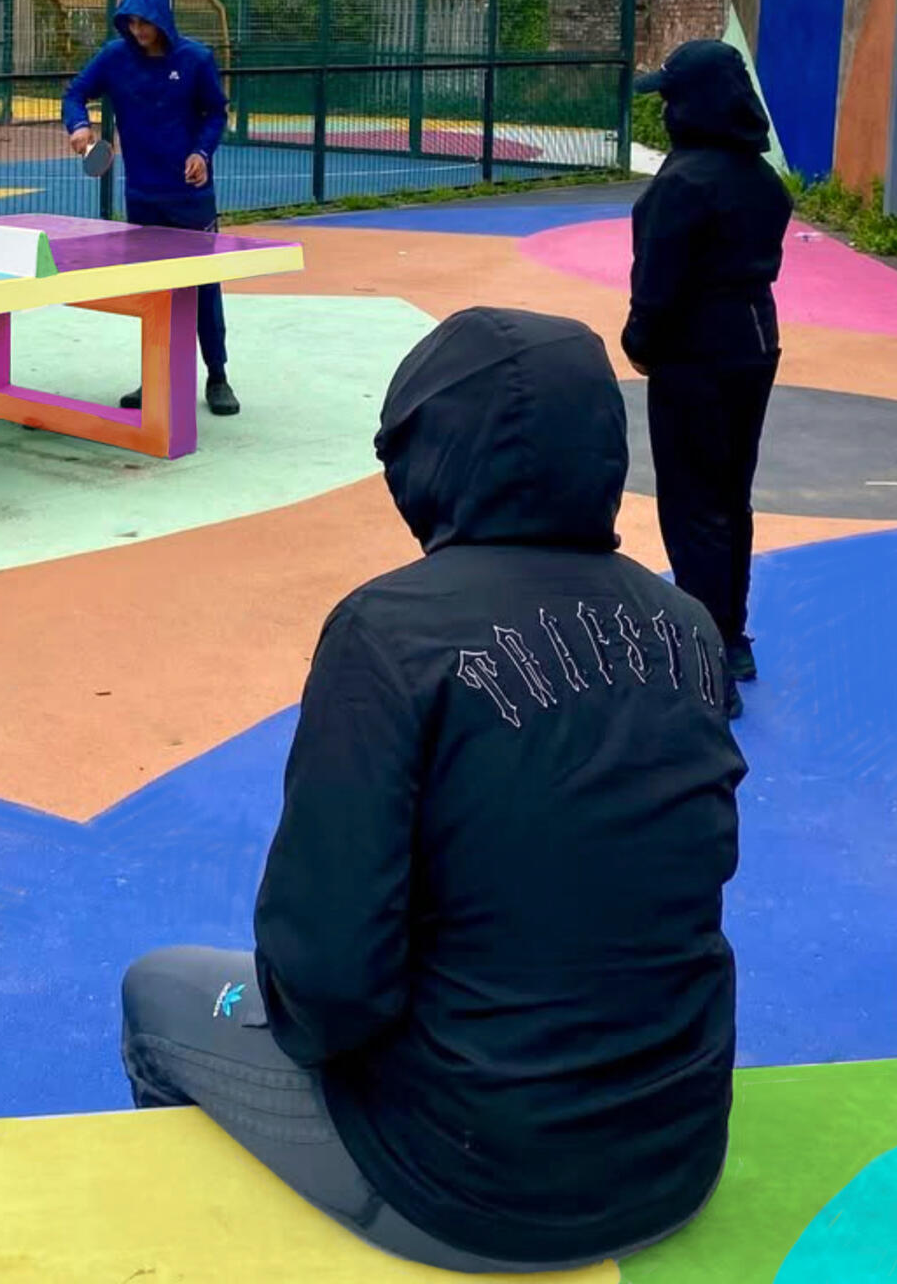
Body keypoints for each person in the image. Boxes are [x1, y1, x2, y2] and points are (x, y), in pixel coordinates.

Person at [121, 307, 745, 1275]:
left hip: (464, 1184)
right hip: (676, 1151)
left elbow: (325, 982)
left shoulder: (389, 633)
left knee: (156, 990)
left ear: (429, 458)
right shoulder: (686, 629)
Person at [622, 39, 792, 702]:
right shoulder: (760, 179)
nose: (663, 113)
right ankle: (731, 636)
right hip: (754, 339)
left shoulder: (682, 182)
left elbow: (657, 284)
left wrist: (639, 339)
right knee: (729, 494)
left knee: (691, 500)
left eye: (667, 99)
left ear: (690, 104)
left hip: (693, 348)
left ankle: (704, 661)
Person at [63, 0, 237, 415]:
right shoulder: (114, 57)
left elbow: (215, 112)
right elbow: (75, 93)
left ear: (162, 20)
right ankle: (156, 375)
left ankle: (217, 375)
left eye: (145, 22)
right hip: (142, 195)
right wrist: (78, 125)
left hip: (192, 196)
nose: (139, 30)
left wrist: (201, 152)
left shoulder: (196, 59)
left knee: (203, 287)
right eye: (132, 23)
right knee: (153, 291)